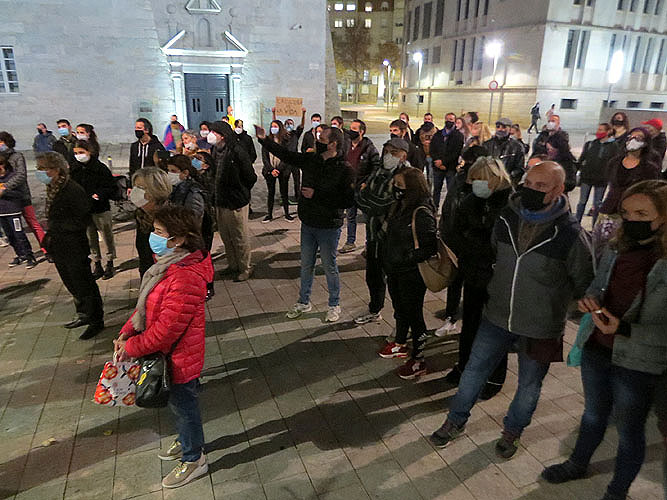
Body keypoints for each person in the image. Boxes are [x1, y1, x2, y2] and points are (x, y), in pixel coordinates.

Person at [430, 161, 594, 459]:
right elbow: (495, 253)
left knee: (529, 385)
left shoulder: (570, 234)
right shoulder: (507, 217)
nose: (530, 190)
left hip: (541, 327)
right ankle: (455, 420)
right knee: (473, 372)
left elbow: (585, 280)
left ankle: (513, 431)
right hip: (497, 315)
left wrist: (557, 305)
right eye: (528, 183)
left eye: (540, 186)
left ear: (559, 190)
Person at [542, 180, 667, 500]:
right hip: (599, 348)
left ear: (663, 216)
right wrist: (591, 299)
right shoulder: (616, 245)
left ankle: (616, 492)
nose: (631, 220)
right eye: (627, 212)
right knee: (593, 414)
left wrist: (624, 329)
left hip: (640, 361)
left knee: (629, 431)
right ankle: (577, 464)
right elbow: (598, 285)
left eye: (642, 214)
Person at [114, 204, 213, 489]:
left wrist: (132, 347)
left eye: (159, 232)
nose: (152, 236)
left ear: (178, 239)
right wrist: (127, 331)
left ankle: (194, 459)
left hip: (179, 358)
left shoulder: (184, 275)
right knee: (180, 407)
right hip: (170, 356)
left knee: (185, 408)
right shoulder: (167, 265)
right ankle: (187, 440)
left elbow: (166, 331)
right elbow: (148, 306)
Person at [257, 124, 355, 323]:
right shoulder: (312, 160)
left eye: (322, 139)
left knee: (329, 266)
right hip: (309, 222)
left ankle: (334, 304)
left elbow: (347, 200)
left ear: (333, 144)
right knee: (306, 265)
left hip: (329, 225)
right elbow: (287, 155)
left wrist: (316, 195)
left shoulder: (344, 168)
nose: (317, 140)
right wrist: (264, 140)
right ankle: (304, 301)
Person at [440, 157, 513, 398]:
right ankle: (464, 367)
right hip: (473, 272)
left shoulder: (510, 204)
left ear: (496, 178)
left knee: (495, 329)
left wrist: (477, 244)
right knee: (470, 325)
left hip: (498, 277)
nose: (476, 184)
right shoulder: (471, 201)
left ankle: (494, 377)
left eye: (482, 179)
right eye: (474, 180)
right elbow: (456, 231)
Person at [378, 166, 437, 379]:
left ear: (412, 188)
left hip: (411, 273)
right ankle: (400, 343)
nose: (396, 189)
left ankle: (418, 360)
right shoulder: (400, 206)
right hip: (395, 269)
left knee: (414, 314)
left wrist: (407, 258)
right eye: (395, 185)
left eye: (400, 185)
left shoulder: (421, 212)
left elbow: (429, 247)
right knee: (400, 309)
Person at [37, 152, 104, 340]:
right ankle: (83, 313)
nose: (40, 172)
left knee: (83, 282)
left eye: (43, 169)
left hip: (73, 244)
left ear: (56, 169)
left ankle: (95, 320)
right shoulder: (53, 188)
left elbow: (83, 218)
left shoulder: (71, 189)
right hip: (59, 244)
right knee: (70, 281)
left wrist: (60, 227)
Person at [355, 138, 410, 326]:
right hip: (373, 234)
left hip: (392, 238)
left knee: (395, 282)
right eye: (386, 151)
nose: (388, 156)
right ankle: (374, 309)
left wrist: (370, 201)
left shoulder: (406, 176)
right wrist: (369, 201)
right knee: (373, 276)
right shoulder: (378, 172)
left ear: (403, 156)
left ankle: (401, 322)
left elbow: (386, 204)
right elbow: (360, 198)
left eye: (394, 153)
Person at [436, 145, 489, 338]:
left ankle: (477, 323)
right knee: (454, 281)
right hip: (454, 241)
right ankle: (451, 317)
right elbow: (449, 206)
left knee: (475, 288)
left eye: (470, 162)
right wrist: (444, 231)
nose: (466, 166)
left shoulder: (486, 185)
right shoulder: (459, 179)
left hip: (475, 247)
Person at [208, 120, 257, 282]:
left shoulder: (237, 151)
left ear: (222, 135)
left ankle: (245, 267)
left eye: (214, 132)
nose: (211, 135)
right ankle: (233, 264)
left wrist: (240, 191)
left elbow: (250, 176)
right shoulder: (215, 150)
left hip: (235, 201)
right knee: (226, 235)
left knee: (239, 236)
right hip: (220, 200)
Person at [166, 154, 215, 300]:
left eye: (173, 171)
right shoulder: (178, 188)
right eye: (168, 170)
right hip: (183, 234)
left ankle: (207, 287)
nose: (170, 174)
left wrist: (187, 234)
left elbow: (195, 217)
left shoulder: (193, 191)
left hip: (195, 234)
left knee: (200, 263)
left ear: (185, 172)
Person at [70, 141, 117, 280]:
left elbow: (110, 187)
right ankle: (97, 263)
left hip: (100, 208)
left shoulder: (100, 168)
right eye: (76, 153)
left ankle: (110, 262)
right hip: (84, 210)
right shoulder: (74, 169)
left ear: (89, 152)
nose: (78, 155)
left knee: (107, 236)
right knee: (90, 238)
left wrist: (99, 195)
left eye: (81, 152)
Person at [0, 131, 47, 255]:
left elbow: (21, 175)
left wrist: (5, 186)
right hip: (6, 200)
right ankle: (22, 253)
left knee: (32, 222)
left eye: (1, 142)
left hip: (21, 195)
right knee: (11, 229)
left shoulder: (17, 156)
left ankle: (46, 248)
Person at [599, 127, 661, 218]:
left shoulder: (650, 168)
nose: (633, 140)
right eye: (630, 137)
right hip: (610, 209)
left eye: (638, 138)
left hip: (634, 213)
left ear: (645, 143)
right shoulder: (614, 162)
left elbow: (651, 192)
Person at [339, 119, 379, 254]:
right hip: (350, 188)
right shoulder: (347, 145)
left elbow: (376, 167)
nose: (351, 131)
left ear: (361, 132)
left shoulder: (369, 148)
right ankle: (350, 242)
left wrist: (367, 183)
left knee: (368, 218)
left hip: (363, 189)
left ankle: (369, 244)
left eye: (354, 129)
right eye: (351, 128)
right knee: (350, 216)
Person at [130, 167, 173, 277]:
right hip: (148, 274)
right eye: (135, 187)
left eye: (141, 188)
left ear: (157, 190)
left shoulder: (173, 217)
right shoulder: (141, 214)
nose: (135, 191)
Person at [576, 123, 619, 224]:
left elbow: (615, 162)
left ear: (608, 132)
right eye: (598, 129)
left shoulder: (614, 146)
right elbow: (582, 159)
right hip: (587, 177)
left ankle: (595, 226)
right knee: (582, 202)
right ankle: (576, 223)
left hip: (602, 179)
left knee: (597, 204)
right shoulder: (591, 144)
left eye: (601, 130)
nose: (598, 132)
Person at [0, 155, 36, 268]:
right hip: (2, 212)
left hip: (13, 211)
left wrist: (4, 191)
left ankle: (29, 255)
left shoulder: (12, 177)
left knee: (19, 234)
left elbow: (19, 194)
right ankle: (20, 254)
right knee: (10, 235)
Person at [429, 112, 465, 208]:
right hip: (437, 167)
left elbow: (456, 152)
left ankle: (449, 209)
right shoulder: (438, 134)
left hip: (450, 168)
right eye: (447, 119)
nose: (448, 121)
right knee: (436, 190)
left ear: (455, 121)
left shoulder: (458, 136)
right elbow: (432, 149)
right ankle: (434, 208)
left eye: (451, 119)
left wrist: (443, 162)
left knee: (451, 191)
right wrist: (437, 161)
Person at [261, 120, 294, 223]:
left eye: (275, 126)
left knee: (284, 192)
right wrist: (271, 169)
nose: (273, 128)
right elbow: (264, 157)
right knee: (271, 192)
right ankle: (269, 214)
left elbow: (286, 157)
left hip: (282, 170)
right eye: (272, 126)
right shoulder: (267, 140)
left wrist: (278, 169)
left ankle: (287, 214)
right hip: (270, 170)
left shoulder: (285, 141)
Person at [483, 118, 526, 187]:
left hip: (507, 184)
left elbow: (520, 168)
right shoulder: (487, 145)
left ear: (510, 129)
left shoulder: (517, 147)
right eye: (498, 127)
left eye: (504, 127)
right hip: (489, 182)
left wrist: (508, 176)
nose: (500, 129)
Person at [129, 118, 166, 184]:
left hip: (152, 182)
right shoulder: (134, 146)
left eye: (139, 128)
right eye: (135, 128)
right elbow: (132, 166)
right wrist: (130, 184)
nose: (136, 130)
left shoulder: (158, 146)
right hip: (137, 181)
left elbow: (164, 166)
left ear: (147, 130)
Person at [414, 122, 437, 186]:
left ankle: (429, 187)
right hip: (421, 154)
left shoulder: (437, 132)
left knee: (430, 174)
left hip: (432, 155)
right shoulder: (419, 131)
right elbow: (415, 142)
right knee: (419, 171)